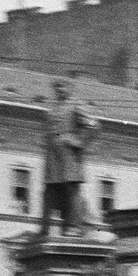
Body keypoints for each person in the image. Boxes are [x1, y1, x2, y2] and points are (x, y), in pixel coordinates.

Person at [39, 79, 95, 236]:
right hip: (53, 157)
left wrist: (78, 141)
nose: (59, 89)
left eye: (62, 86)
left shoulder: (76, 106)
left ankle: (74, 226)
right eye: (56, 86)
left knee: (71, 190)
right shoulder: (53, 109)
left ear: (70, 89)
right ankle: (44, 228)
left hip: (69, 156)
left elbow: (94, 125)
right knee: (50, 191)